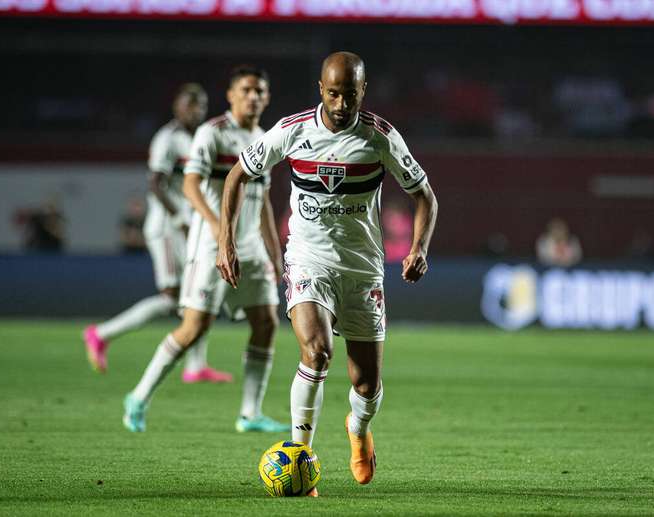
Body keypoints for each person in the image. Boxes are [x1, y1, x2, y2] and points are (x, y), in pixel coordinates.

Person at [217, 52, 438, 492]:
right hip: (307, 260)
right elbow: (236, 176)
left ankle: (358, 430)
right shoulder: (292, 130)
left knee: (367, 384)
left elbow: (425, 197)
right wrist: (225, 241)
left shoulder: (380, 138)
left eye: (350, 94)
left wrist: (418, 248)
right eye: (333, 93)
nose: (341, 103)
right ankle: (302, 459)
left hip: (362, 269)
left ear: (363, 92)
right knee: (316, 353)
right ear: (321, 88)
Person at [122, 66, 289, 435]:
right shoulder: (211, 133)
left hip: (251, 249)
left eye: (260, 91)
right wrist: (219, 231)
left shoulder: (265, 137)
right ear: (231, 95)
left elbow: (261, 200)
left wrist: (274, 252)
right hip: (210, 246)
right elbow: (191, 187)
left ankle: (250, 413)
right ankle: (138, 396)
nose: (254, 97)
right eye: (246, 90)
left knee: (266, 323)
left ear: (268, 97)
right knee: (194, 328)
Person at [83, 84, 231, 383]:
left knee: (194, 293)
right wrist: (179, 217)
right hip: (166, 228)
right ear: (176, 107)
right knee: (171, 297)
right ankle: (101, 334)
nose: (196, 110)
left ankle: (195, 366)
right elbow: (155, 183)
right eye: (190, 105)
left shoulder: (202, 136)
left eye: (200, 105)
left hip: (188, 226)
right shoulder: (167, 139)